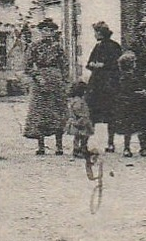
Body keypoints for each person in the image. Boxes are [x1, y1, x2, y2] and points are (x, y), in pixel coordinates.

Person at [22, 19, 69, 156]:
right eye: (44, 30)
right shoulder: (34, 46)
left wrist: (65, 81)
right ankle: (41, 146)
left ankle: (59, 146)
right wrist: (37, 77)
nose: (47, 33)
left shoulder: (58, 48)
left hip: (56, 80)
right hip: (40, 82)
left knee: (57, 112)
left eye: (50, 30)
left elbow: (65, 66)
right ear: (40, 31)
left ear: (54, 32)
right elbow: (27, 66)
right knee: (40, 113)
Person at [84, 21, 123, 152]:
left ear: (101, 33)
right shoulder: (98, 46)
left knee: (110, 113)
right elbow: (89, 64)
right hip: (96, 84)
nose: (95, 35)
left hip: (109, 84)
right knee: (93, 113)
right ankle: (90, 142)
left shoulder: (114, 46)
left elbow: (117, 64)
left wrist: (103, 66)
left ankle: (110, 142)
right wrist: (94, 65)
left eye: (96, 32)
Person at [111, 51, 146, 158]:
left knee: (132, 128)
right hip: (131, 104)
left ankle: (132, 148)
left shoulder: (128, 75)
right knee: (136, 127)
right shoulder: (126, 76)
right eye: (133, 62)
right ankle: (139, 148)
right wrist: (140, 93)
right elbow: (127, 90)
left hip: (131, 105)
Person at [65, 81, 93, 160]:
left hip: (79, 120)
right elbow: (77, 110)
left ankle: (80, 149)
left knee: (80, 136)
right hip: (80, 121)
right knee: (82, 136)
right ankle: (79, 150)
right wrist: (82, 116)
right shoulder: (78, 101)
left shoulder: (76, 100)